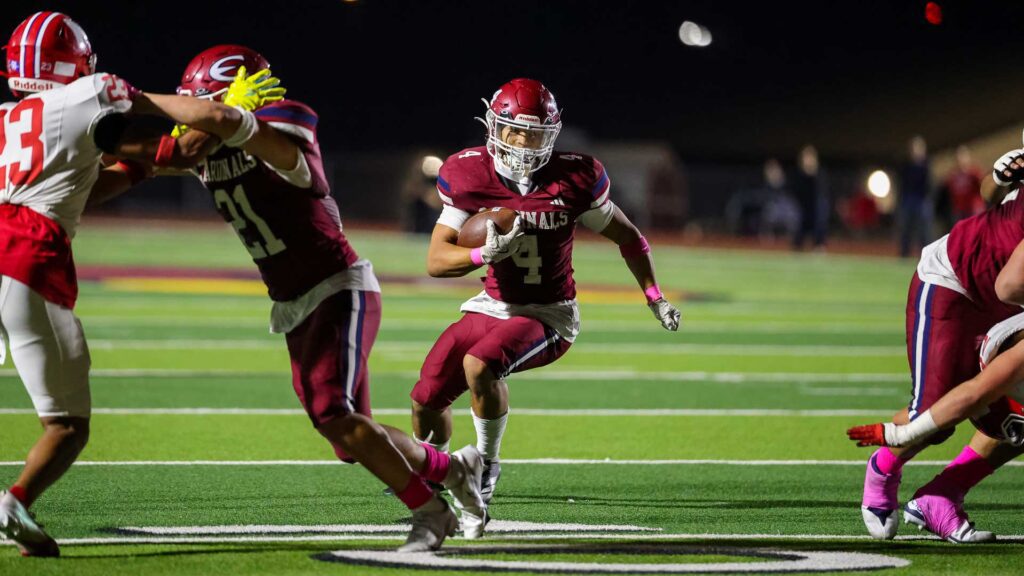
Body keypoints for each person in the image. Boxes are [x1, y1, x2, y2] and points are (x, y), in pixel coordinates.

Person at [111, 45, 485, 552]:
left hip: (337, 285)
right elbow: (143, 160)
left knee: (335, 412)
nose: (189, 118)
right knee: (349, 440)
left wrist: (126, 98)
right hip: (294, 301)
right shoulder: (206, 147)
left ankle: (430, 511)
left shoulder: (287, 121)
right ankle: (452, 467)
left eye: (194, 105)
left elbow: (222, 123)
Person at [408, 78, 681, 538]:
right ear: (494, 127)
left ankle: (486, 466)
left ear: (552, 134)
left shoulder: (574, 178)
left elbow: (628, 236)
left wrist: (654, 295)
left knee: (480, 365)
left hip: (549, 313)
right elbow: (437, 260)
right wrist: (482, 256)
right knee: (427, 394)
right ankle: (432, 478)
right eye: (515, 132)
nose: (524, 143)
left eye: (535, 134)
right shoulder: (469, 174)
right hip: (493, 303)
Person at [0, 11, 166, 556]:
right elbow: (163, 130)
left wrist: (144, 168)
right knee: (68, 425)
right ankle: (15, 500)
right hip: (26, 261)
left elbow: (83, 191)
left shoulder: (12, 118)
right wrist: (221, 120)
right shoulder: (83, 99)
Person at [855, 145, 1024, 543]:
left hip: (1001, 297)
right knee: (934, 419)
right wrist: (995, 181)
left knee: (1018, 417)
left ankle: (942, 494)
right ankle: (884, 464)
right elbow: (1010, 281)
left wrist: (995, 183)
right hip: (955, 283)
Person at [848, 311, 1024, 541]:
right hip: (959, 292)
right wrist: (902, 433)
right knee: (934, 409)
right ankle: (884, 465)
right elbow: (974, 394)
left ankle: (942, 494)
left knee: (1013, 420)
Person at [898, 135, 934, 258]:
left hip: (922, 201)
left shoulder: (926, 165)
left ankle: (926, 257)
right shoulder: (906, 165)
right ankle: (904, 254)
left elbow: (930, 184)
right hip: (908, 200)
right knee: (906, 229)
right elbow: (902, 183)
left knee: (924, 231)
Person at [790, 145, 828, 250]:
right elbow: (795, 191)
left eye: (810, 158)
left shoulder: (819, 174)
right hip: (802, 206)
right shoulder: (799, 174)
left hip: (815, 207)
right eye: (806, 158)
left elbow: (822, 192)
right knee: (799, 223)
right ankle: (797, 246)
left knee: (819, 218)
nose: (809, 160)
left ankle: (818, 245)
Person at [943, 145, 984, 226]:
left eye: (963, 156)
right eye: (958, 157)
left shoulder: (974, 172)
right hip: (960, 211)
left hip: (974, 209)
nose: (960, 159)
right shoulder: (953, 176)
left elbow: (983, 188)